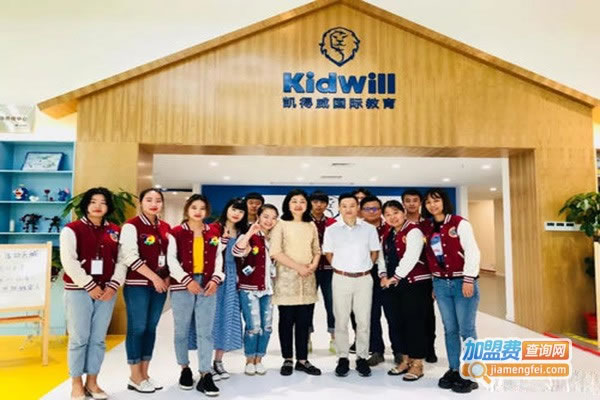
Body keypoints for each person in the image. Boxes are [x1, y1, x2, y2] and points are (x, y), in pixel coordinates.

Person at [60, 187, 124, 400]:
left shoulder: (115, 231)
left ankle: (93, 382)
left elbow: (122, 261)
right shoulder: (72, 229)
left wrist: (113, 285)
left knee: (98, 339)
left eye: (103, 202)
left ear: (108, 207)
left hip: (107, 292)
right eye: (93, 201)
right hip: (78, 290)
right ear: (86, 205)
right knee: (79, 338)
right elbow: (69, 261)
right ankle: (76, 383)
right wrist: (89, 285)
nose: (98, 206)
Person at [422, 188, 481, 394]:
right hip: (440, 284)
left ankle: (471, 374)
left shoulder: (459, 223)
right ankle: (454, 369)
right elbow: (431, 257)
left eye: (436, 201)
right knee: (450, 330)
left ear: (444, 202)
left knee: (466, 330)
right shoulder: (428, 227)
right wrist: (434, 284)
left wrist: (469, 279)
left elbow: (472, 252)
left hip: (461, 282)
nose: (432, 205)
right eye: (428, 202)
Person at [167, 194, 224, 396]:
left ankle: (205, 373)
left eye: (202, 208)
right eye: (194, 207)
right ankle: (184, 369)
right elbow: (171, 260)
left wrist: (216, 279)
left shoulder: (213, 232)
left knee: (205, 331)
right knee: (181, 330)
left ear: (207, 211)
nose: (198, 211)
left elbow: (218, 259)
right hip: (182, 285)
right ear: (187, 210)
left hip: (207, 284)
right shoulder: (176, 232)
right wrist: (186, 280)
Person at [119, 188, 171, 394]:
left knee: (151, 328)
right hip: (137, 285)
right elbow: (130, 257)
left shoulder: (165, 227)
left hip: (160, 285)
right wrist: (155, 277)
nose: (154, 204)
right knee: (137, 328)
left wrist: (166, 277)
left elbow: (170, 255)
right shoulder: (131, 226)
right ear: (140, 203)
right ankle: (134, 376)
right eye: (149, 200)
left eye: (158, 200)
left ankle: (145, 374)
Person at [323, 193, 381, 378]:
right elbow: (329, 254)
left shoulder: (369, 229)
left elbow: (374, 253)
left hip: (364, 279)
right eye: (344, 206)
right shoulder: (332, 229)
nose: (348, 209)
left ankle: (362, 357)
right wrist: (343, 268)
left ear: (358, 208)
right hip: (341, 278)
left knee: (363, 320)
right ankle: (343, 357)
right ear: (339, 208)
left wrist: (364, 267)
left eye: (352, 205)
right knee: (341, 320)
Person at [270, 189, 322, 376]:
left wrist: (313, 265)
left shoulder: (311, 225)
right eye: (294, 201)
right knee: (286, 321)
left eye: (302, 201)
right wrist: (298, 267)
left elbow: (317, 249)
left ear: (307, 205)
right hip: (287, 278)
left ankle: (302, 360)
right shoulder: (280, 224)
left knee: (304, 322)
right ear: (288, 204)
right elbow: (275, 252)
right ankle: (287, 359)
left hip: (307, 277)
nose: (298, 205)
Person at [378, 200, 430, 381]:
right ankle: (405, 360)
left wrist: (395, 277)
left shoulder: (414, 231)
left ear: (404, 213)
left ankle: (417, 364)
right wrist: (383, 276)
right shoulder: (386, 234)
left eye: (396, 212)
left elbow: (411, 257)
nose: (392, 217)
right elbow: (381, 258)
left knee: (414, 323)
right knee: (396, 323)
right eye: (388, 214)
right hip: (391, 285)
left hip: (413, 284)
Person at [233, 204, 279, 375]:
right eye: (266, 216)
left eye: (273, 218)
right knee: (253, 326)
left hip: (268, 289)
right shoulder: (249, 235)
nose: (269, 221)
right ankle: (249, 359)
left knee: (267, 326)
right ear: (258, 216)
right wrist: (250, 233)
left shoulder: (274, 239)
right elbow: (237, 251)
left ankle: (259, 359)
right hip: (249, 289)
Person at [211, 198, 248, 380]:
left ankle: (218, 361)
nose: (236, 214)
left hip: (232, 278)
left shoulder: (242, 232)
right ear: (227, 209)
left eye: (240, 211)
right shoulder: (213, 228)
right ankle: (205, 363)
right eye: (234, 209)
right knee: (211, 319)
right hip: (214, 276)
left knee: (227, 318)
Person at [402, 189, 437, 363]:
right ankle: (409, 351)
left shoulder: (429, 225)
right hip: (403, 279)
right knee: (407, 317)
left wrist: (436, 280)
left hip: (425, 278)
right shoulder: (398, 224)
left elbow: (436, 253)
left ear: (420, 203)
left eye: (415, 200)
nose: (411, 204)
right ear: (403, 203)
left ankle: (430, 348)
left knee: (427, 315)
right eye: (407, 200)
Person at [308, 190, 337, 354]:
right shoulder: (304, 222)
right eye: (315, 202)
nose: (318, 205)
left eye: (322, 202)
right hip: (309, 269)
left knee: (332, 304)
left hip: (329, 269)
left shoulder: (333, 223)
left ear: (327, 204)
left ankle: (334, 338)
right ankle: (306, 338)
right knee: (307, 304)